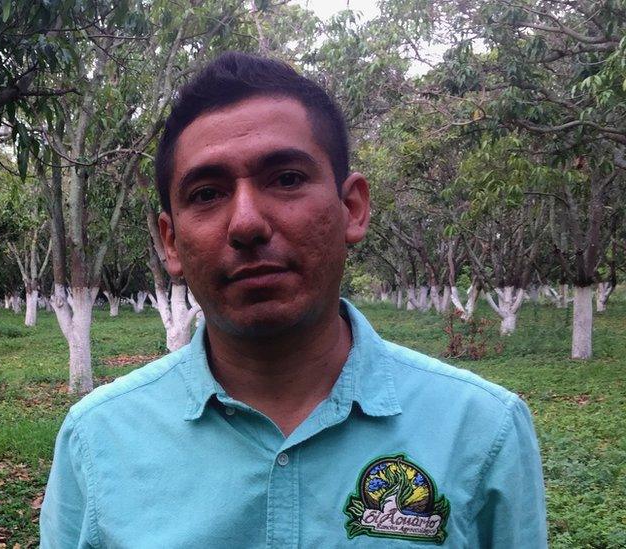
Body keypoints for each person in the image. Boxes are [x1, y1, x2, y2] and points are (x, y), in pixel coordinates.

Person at [40, 51, 547, 548]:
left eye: (286, 179)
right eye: (207, 193)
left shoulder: (482, 430)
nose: (246, 224)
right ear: (170, 242)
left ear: (351, 208)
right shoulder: (98, 439)